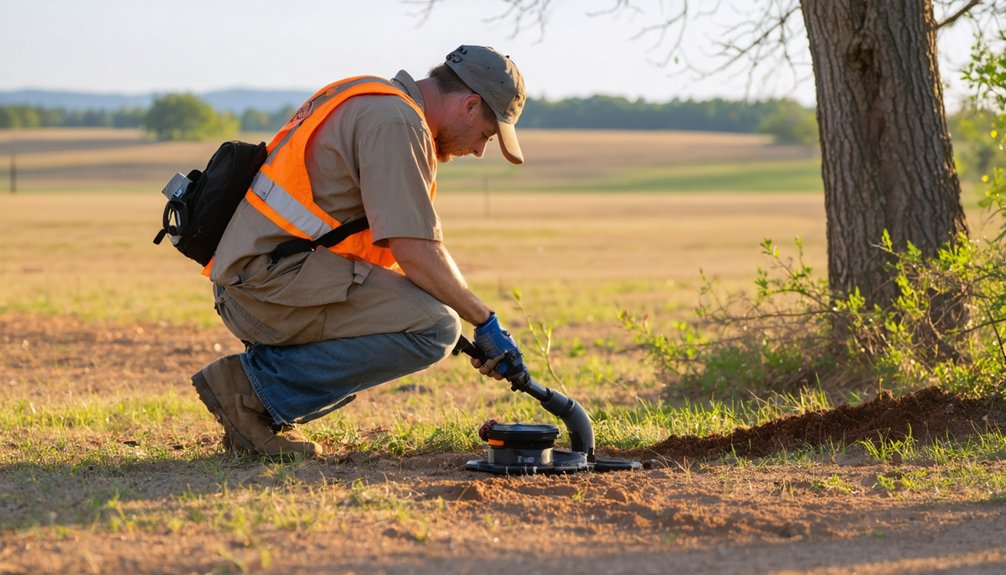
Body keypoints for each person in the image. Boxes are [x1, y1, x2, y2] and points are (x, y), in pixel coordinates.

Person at [190, 45, 528, 458]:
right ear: (471, 105)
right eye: (485, 136)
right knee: (436, 327)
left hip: (260, 278)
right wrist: (484, 321)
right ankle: (251, 396)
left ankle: (258, 408)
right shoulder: (397, 122)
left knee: (431, 316)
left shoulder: (370, 96)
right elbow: (416, 250)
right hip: (266, 286)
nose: (478, 151)